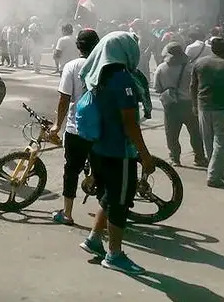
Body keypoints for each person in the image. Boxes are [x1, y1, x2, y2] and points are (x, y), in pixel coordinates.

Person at [77, 31, 155, 275]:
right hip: (119, 152)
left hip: (98, 148)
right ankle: (114, 254)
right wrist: (145, 154)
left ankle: (93, 239)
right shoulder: (123, 80)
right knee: (120, 202)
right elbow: (130, 123)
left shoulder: (97, 76)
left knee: (109, 196)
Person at [47, 28, 100, 225]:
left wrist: (56, 126)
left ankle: (67, 213)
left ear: (78, 47)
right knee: (102, 168)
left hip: (76, 128)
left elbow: (64, 99)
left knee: (71, 171)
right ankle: (106, 212)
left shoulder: (72, 66)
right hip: (100, 129)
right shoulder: (104, 65)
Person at [190, 35, 224, 187]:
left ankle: (214, 169)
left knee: (208, 140)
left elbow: (193, 86)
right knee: (222, 143)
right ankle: (214, 176)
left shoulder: (200, 63)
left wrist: (194, 105)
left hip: (203, 106)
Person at [152, 42, 207, 167]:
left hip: (171, 105)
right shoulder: (191, 67)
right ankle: (199, 158)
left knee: (171, 134)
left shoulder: (161, 68)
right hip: (189, 104)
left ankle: (175, 158)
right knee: (195, 133)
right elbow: (198, 86)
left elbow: (157, 87)